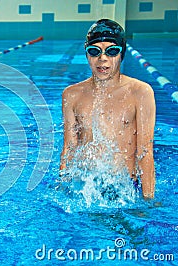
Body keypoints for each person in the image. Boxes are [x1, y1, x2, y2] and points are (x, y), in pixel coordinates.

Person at [59, 19, 156, 199]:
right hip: (85, 187)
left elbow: (145, 151)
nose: (102, 59)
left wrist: (148, 200)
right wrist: (63, 189)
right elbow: (69, 148)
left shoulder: (140, 92)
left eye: (111, 51)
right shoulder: (71, 95)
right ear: (87, 55)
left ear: (122, 54)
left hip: (124, 188)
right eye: (94, 51)